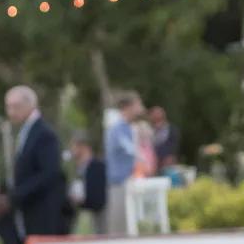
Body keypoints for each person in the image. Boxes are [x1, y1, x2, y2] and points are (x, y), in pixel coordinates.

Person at [0, 86, 67, 244]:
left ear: (29, 105)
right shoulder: (26, 132)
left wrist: (17, 195)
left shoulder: (44, 134)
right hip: (30, 208)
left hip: (43, 208)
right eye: (8, 107)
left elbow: (49, 172)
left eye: (15, 106)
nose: (11, 112)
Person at [104, 90, 146, 235]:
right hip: (119, 183)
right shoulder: (117, 128)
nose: (140, 108)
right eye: (137, 104)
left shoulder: (129, 127)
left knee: (130, 226)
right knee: (119, 228)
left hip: (128, 181)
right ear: (128, 107)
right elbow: (130, 149)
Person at [68, 132, 108, 233]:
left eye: (74, 146)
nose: (72, 150)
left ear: (82, 147)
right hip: (80, 218)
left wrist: (82, 201)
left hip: (95, 219)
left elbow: (99, 197)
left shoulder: (97, 166)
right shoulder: (77, 168)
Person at [150, 105, 180, 170]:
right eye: (154, 114)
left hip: (167, 162)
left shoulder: (172, 129)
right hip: (151, 162)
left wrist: (170, 156)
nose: (156, 116)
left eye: (159, 113)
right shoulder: (146, 129)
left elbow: (174, 146)